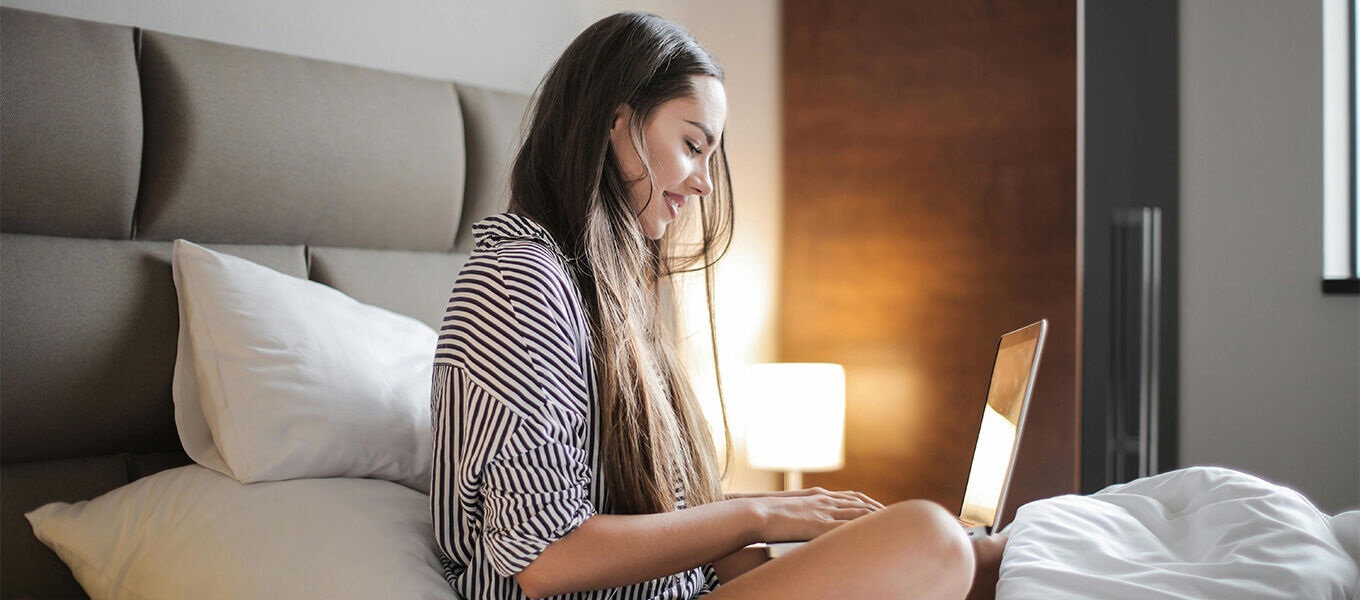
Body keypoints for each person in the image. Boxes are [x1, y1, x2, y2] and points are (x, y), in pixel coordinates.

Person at [430, 11, 1005, 600]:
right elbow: (545, 557)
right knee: (930, 537)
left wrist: (791, 522)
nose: (705, 181)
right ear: (616, 122)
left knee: (984, 555)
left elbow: (654, 513)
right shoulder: (516, 280)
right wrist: (755, 513)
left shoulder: (612, 294)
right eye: (692, 145)